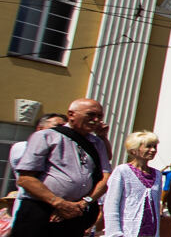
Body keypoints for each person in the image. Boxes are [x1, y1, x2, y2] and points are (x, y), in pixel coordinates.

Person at [12, 98, 111, 237]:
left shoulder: (97, 143)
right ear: (71, 115)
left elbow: (105, 176)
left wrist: (84, 203)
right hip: (42, 211)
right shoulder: (46, 136)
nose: (95, 120)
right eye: (90, 115)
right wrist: (58, 203)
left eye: (99, 116)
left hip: (76, 214)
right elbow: (26, 179)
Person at [104, 131, 163, 237]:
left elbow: (156, 208)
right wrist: (115, 234)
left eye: (155, 146)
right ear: (134, 150)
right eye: (148, 146)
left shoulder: (157, 175)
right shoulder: (122, 171)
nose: (153, 150)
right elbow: (111, 204)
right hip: (128, 232)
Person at [8, 113, 66, 215]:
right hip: (32, 206)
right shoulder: (22, 147)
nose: (62, 132)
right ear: (40, 129)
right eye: (57, 127)